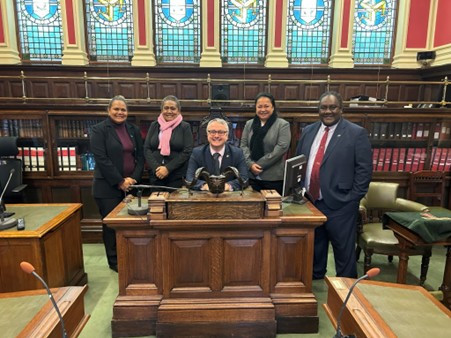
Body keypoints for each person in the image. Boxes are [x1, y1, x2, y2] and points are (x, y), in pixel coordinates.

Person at [296, 91, 372, 279]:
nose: (327, 111)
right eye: (323, 107)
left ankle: (346, 295)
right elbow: (298, 162)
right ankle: (315, 282)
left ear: (341, 109)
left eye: (332, 107)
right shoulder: (308, 131)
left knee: (344, 254)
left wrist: (353, 198)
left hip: (341, 204)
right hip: (311, 203)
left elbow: (364, 170)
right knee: (315, 249)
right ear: (318, 110)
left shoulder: (356, 133)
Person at [90, 95, 144, 272]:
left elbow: (140, 157)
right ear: (109, 110)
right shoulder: (99, 130)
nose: (120, 112)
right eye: (116, 109)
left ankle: (131, 256)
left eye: (123, 110)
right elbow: (101, 159)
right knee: (111, 226)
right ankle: (115, 263)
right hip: (107, 187)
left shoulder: (133, 129)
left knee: (132, 224)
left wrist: (133, 178)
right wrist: (120, 181)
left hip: (131, 186)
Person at [240, 92, 291, 195]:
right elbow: (243, 146)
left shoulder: (282, 125)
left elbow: (281, 148)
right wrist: (250, 165)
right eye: (259, 107)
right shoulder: (249, 124)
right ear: (256, 108)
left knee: (272, 209)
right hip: (251, 177)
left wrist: (258, 165)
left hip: (273, 178)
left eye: (266, 106)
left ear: (273, 108)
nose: (263, 110)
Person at [185, 118, 248, 191]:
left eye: (221, 132)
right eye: (212, 132)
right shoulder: (197, 153)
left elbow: (244, 179)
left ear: (227, 135)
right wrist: (205, 186)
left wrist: (228, 186)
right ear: (207, 134)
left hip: (229, 197)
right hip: (204, 197)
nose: (216, 135)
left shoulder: (237, 153)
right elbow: (189, 178)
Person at [144, 95, 193, 189]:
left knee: (173, 203)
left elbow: (187, 151)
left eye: (173, 108)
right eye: (166, 108)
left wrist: (167, 168)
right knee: (157, 203)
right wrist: (156, 168)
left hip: (176, 175)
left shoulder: (185, 127)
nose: (169, 111)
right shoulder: (154, 125)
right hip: (156, 174)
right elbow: (147, 148)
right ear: (161, 110)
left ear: (178, 111)